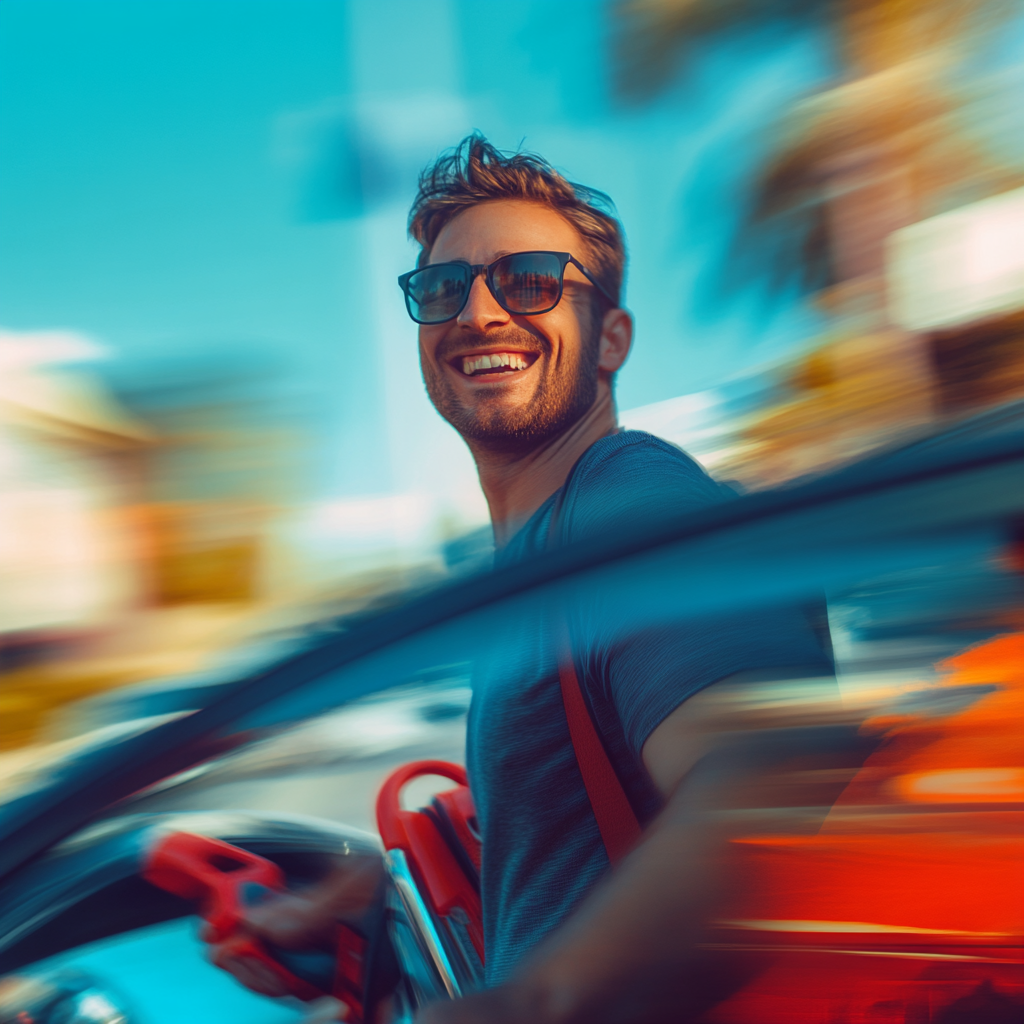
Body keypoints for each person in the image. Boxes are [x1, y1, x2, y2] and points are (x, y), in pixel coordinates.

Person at [210, 135, 835, 1022]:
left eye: (531, 280)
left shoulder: (627, 500)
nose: (480, 313)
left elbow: (775, 782)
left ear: (611, 336)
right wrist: (356, 906)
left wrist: (531, 1001)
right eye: (443, 289)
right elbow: (581, 833)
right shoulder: (537, 565)